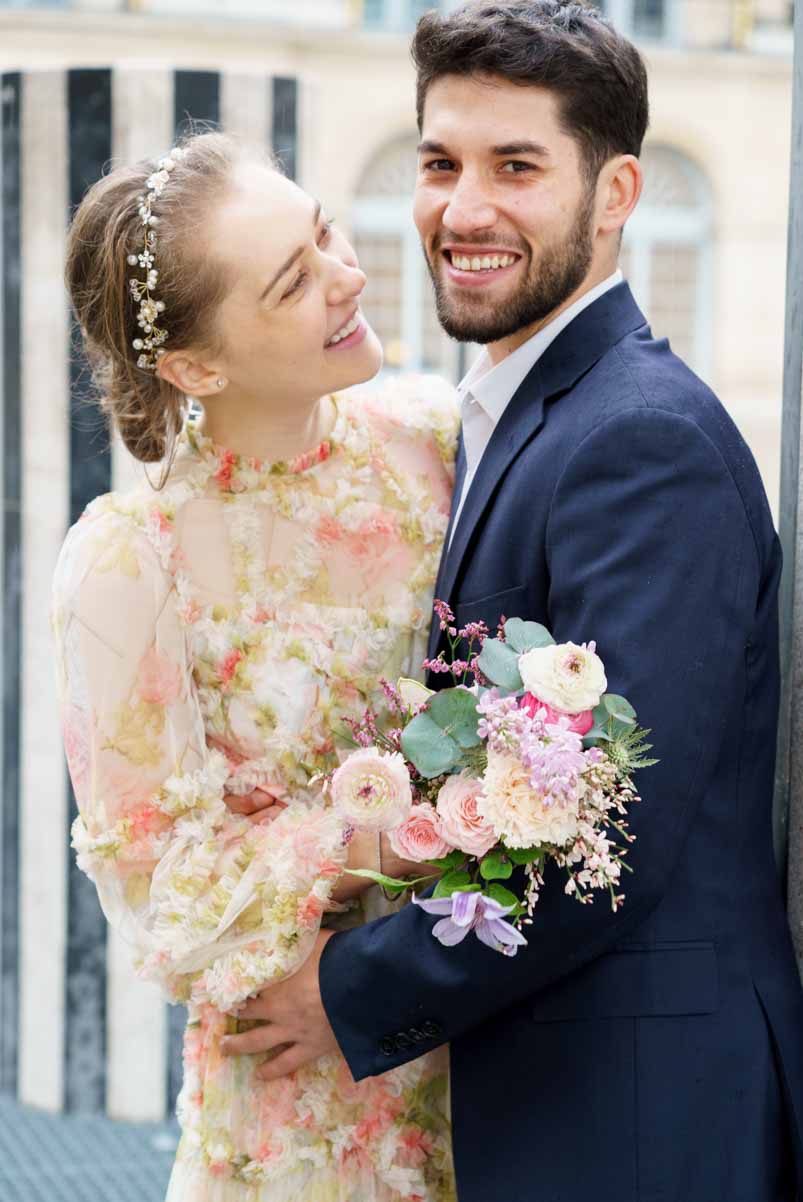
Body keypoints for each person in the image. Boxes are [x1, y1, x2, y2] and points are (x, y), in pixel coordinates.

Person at [219, 4, 803, 1200]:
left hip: (641, 1113)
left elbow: (608, 831)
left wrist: (349, 990)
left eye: (515, 167)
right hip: (551, 1088)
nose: (461, 208)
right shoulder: (505, 417)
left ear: (615, 190)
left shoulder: (640, 437)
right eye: (439, 163)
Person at [53, 130, 459, 1201]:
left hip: (496, 1051)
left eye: (324, 232)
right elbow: (152, 884)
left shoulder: (436, 440)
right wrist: (384, 836)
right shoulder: (129, 557)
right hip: (295, 1101)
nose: (349, 275)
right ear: (195, 364)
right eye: (294, 279)